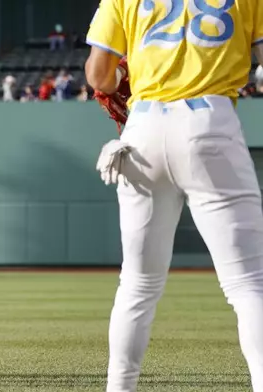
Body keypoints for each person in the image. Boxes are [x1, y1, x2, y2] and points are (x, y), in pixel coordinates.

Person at [85, 1, 263, 391]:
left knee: (137, 284)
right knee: (248, 283)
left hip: (143, 127)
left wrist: (121, 82)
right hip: (210, 120)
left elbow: (99, 76)